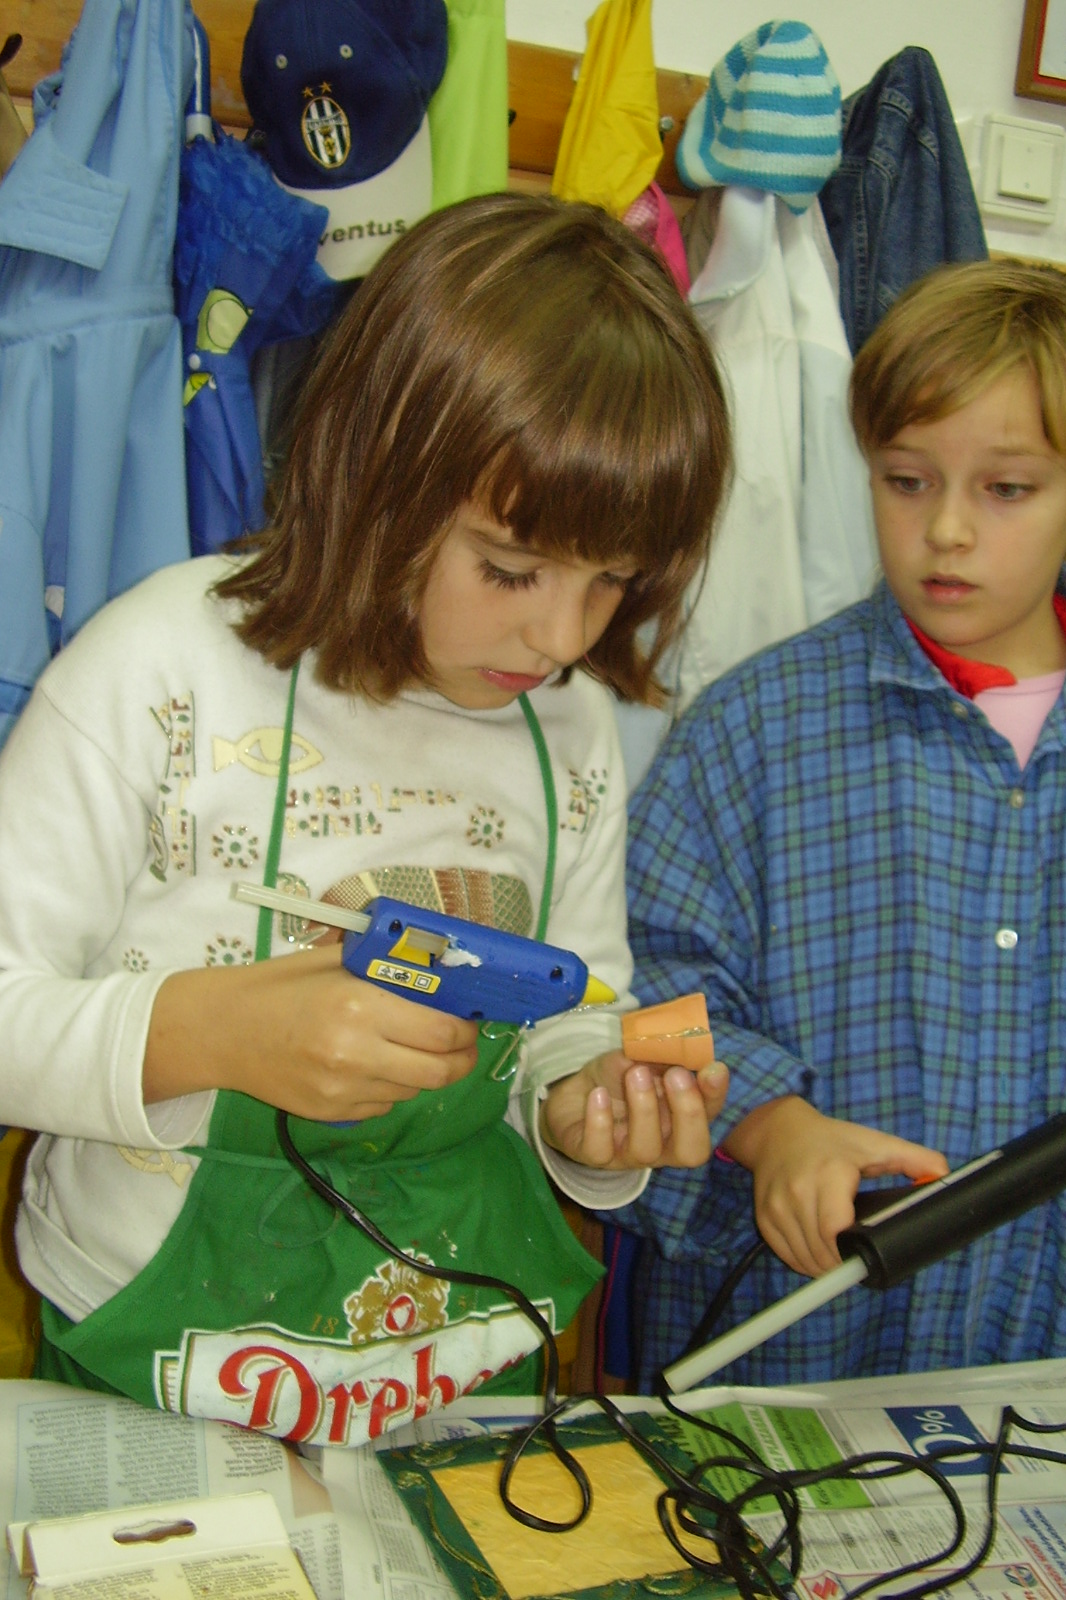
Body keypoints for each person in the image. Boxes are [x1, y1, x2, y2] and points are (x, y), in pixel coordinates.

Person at [0, 193, 733, 1445]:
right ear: (379, 469)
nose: (561, 636)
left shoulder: (568, 727)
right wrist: (209, 1029)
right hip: (160, 1353)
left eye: (611, 580)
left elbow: (572, 1010)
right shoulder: (163, 668)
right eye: (510, 567)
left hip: (452, 1357)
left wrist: (590, 1111)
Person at [616, 257, 1066, 1389]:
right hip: (794, 1357)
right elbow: (645, 989)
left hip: (1065, 1362)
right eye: (906, 480)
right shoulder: (754, 730)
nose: (948, 531)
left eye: (1007, 489)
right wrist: (771, 1123)